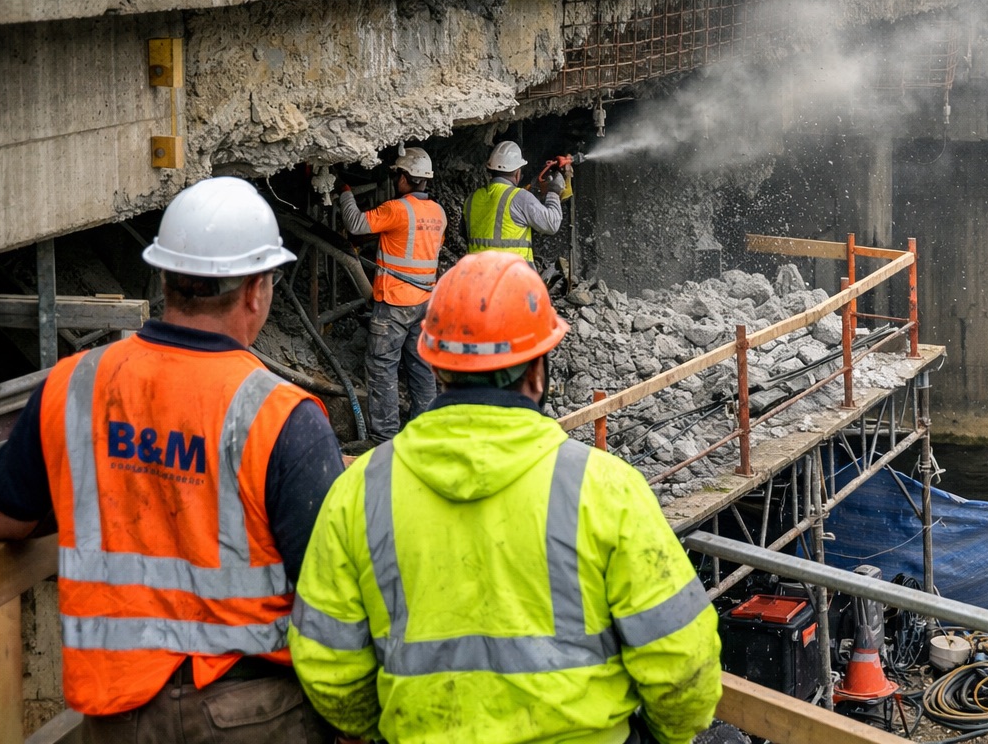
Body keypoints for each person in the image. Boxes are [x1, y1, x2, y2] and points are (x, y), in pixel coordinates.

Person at [289, 252, 722, 744]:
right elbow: (684, 665)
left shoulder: (361, 491)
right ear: (537, 373)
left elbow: (326, 664)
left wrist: (384, 727)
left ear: (437, 367)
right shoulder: (605, 490)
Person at [0, 176, 345, 743]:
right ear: (254, 291)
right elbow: (331, 599)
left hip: (115, 713)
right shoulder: (282, 416)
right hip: (253, 712)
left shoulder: (74, 385)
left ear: (167, 278)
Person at [339, 146, 446, 443]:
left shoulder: (397, 209)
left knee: (382, 369)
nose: (396, 179)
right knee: (421, 367)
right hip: (424, 302)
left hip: (395, 304)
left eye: (398, 174)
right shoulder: (438, 213)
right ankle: (424, 432)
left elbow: (356, 224)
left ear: (405, 177)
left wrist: (345, 192)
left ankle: (383, 438)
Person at [463, 139, 570, 262]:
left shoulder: (472, 198)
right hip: (511, 277)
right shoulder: (519, 197)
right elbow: (551, 224)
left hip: (478, 276)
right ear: (518, 172)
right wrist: (553, 192)